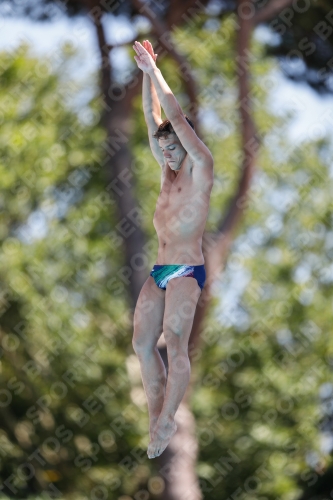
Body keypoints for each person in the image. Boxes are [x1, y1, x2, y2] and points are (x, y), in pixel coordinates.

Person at [132, 39, 214, 459]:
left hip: (186, 271)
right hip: (160, 269)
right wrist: (146, 75)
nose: (165, 152)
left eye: (172, 146)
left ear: (189, 144)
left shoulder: (201, 168)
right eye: (162, 147)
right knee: (143, 344)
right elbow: (156, 117)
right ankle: (154, 418)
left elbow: (175, 117)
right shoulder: (167, 168)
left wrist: (155, 72)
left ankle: (170, 418)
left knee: (175, 340)